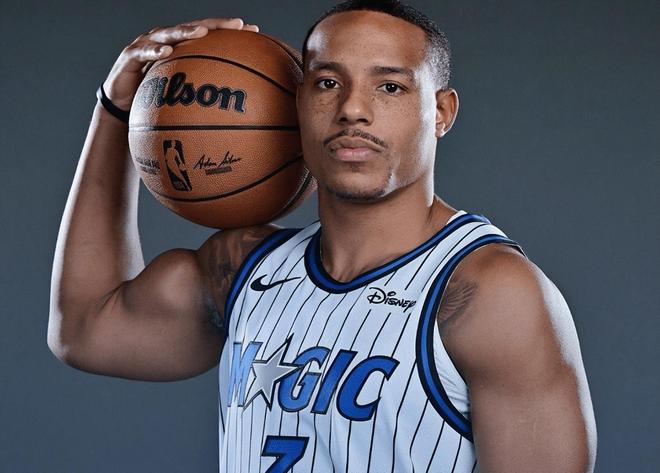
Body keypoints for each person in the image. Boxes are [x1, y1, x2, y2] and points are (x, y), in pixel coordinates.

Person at [47, 1, 597, 471]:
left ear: (440, 111)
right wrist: (115, 109)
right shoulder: (243, 270)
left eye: (390, 86)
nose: (353, 109)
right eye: (328, 83)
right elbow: (83, 328)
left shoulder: (488, 293)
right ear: (299, 103)